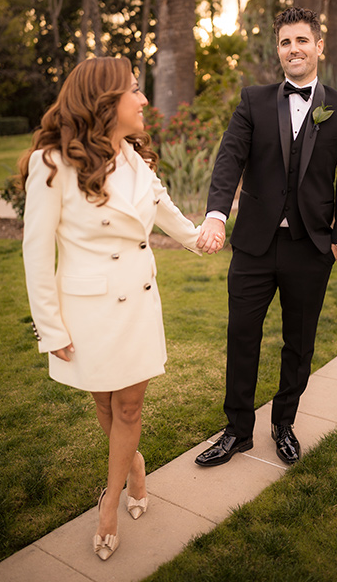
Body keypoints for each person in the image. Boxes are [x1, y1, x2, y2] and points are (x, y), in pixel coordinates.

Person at [20, 57, 223, 561]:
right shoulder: (53, 163)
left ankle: (110, 500)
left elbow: (167, 213)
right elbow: (35, 252)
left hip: (137, 304)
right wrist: (50, 327)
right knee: (105, 404)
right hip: (86, 312)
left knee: (129, 405)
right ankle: (132, 465)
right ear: (107, 102)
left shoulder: (138, 159)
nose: (144, 100)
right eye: (136, 90)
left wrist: (203, 238)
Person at [195, 7, 337, 466]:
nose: (294, 49)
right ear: (278, 49)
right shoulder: (253, 100)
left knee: (300, 341)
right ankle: (237, 431)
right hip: (253, 244)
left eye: (302, 40)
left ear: (319, 46)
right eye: (286, 42)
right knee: (242, 335)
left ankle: (284, 421)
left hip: (311, 247)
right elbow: (229, 159)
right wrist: (215, 215)